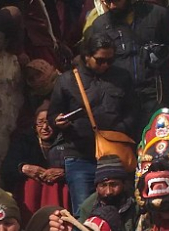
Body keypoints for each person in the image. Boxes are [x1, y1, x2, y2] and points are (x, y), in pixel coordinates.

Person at [47, 33, 138, 215]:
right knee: (84, 213)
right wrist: (58, 121)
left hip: (114, 156)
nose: (106, 65)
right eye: (100, 60)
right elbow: (53, 114)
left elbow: (134, 112)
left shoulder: (122, 77)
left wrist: (118, 131)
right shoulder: (67, 80)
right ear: (86, 56)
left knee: (120, 210)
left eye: (110, 60)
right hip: (80, 156)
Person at [86, 0, 169, 130]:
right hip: (122, 102)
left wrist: (163, 58)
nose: (112, 6)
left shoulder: (157, 14)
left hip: (157, 95)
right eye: (107, 2)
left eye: (116, 1)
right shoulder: (100, 25)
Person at [1, 102, 69, 224]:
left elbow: (82, 166)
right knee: (30, 183)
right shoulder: (24, 140)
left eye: (49, 122)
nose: (45, 127)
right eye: (40, 122)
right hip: (33, 194)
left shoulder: (68, 140)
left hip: (58, 193)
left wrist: (64, 172)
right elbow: (7, 167)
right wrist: (24, 168)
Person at [76, 154, 139, 231]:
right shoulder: (87, 207)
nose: (109, 191)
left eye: (114, 185)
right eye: (103, 185)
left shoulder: (137, 203)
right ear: (96, 187)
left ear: (124, 184)